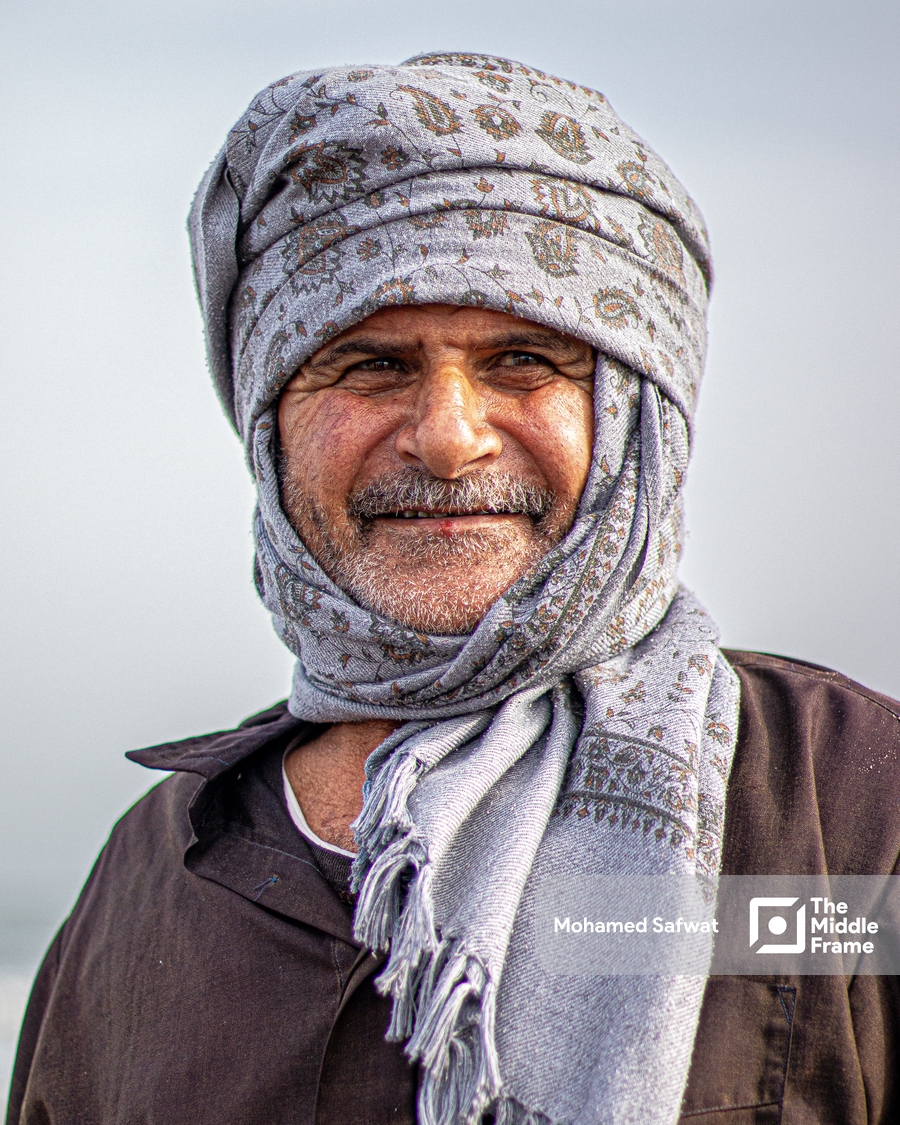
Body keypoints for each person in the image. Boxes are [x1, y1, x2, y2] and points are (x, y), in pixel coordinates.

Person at [7, 51, 900, 1125]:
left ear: (635, 422)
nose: (447, 437)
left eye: (525, 359)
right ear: (269, 423)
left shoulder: (848, 816)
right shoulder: (151, 878)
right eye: (372, 364)